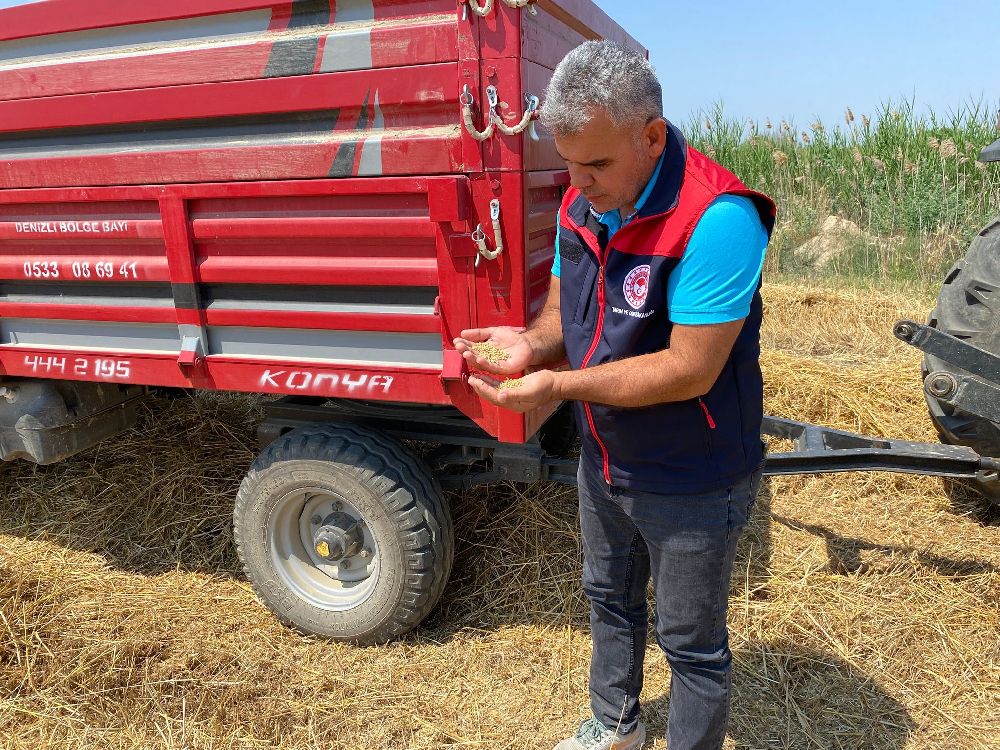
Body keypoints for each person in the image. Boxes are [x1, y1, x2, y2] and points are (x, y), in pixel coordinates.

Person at [454, 40, 776, 750]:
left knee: (690, 644)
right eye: (568, 162)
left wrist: (559, 384)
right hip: (605, 458)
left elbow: (690, 368)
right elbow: (567, 313)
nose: (579, 182)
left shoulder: (717, 219)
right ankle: (615, 725)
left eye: (596, 163)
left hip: (692, 472)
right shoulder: (583, 204)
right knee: (608, 600)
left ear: (651, 135)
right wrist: (532, 345)